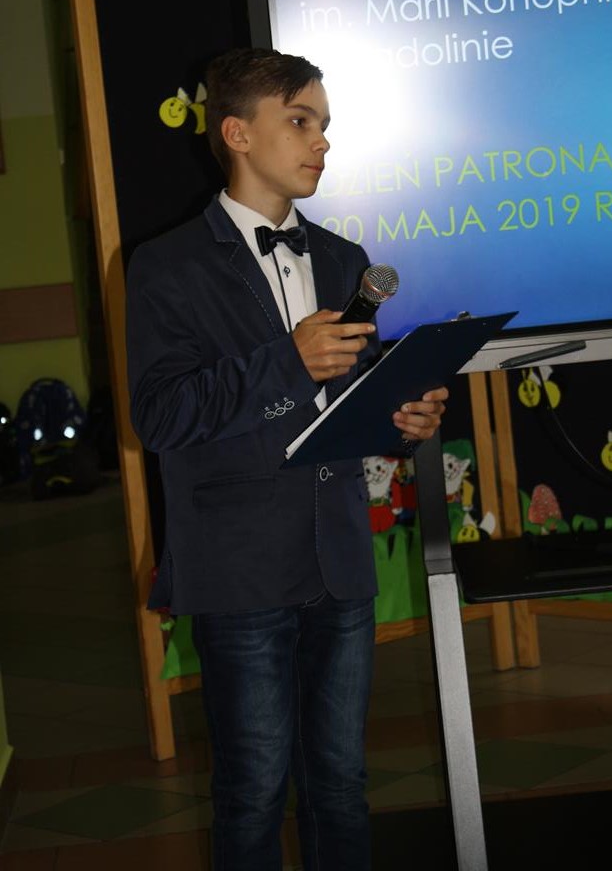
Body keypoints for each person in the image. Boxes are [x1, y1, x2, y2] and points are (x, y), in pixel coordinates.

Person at [126, 47, 448, 871]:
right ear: (237, 133)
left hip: (338, 560)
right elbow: (159, 417)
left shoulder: (343, 260)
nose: (321, 141)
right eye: (300, 121)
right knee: (253, 790)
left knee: (341, 783)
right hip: (237, 568)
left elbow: (344, 406)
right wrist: (286, 364)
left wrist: (401, 421)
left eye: (325, 125)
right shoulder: (166, 264)